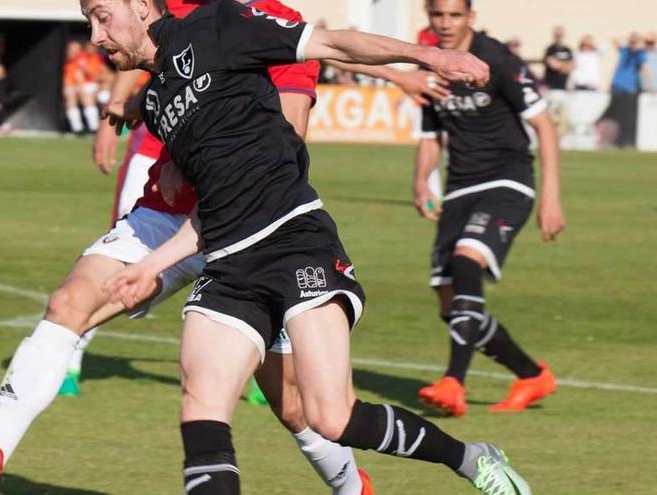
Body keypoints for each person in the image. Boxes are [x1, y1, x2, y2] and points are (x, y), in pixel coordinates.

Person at [0, 2, 377, 495]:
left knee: (293, 402)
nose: (95, 33)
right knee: (71, 301)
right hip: (166, 214)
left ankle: (353, 488)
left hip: (253, 223)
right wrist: (138, 112)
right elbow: (139, 61)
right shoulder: (167, 10)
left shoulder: (273, 22)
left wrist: (192, 155)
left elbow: (288, 131)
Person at [98, 1, 529, 494]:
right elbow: (214, 209)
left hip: (295, 246)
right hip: (227, 269)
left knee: (332, 417)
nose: (95, 35)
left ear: (138, 8)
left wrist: (427, 58)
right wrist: (151, 265)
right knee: (201, 408)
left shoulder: (217, 22)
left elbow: (331, 42)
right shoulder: (157, 104)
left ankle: (470, 458)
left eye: (101, 15)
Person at [412, 0, 564, 418]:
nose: (445, 24)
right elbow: (430, 136)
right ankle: (531, 375)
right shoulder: (429, 67)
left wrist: (550, 198)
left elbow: (544, 126)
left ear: (470, 18)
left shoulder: (496, 59)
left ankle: (453, 382)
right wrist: (421, 179)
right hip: (459, 188)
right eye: (437, 15)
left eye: (454, 15)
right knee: (450, 300)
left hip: (506, 180)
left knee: (467, 262)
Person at [542, 26, 574, 91]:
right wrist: (565, 65)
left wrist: (559, 64)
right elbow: (552, 65)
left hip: (563, 85)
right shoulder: (550, 49)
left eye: (560, 34)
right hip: (551, 85)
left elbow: (571, 66)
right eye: (557, 35)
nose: (559, 36)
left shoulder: (567, 49)